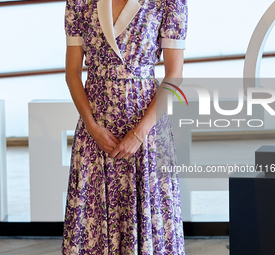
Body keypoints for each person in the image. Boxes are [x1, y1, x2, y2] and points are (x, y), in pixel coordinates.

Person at [61, 0, 188, 254]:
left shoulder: (169, 2)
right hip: (95, 131)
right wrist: (92, 127)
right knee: (91, 216)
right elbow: (72, 72)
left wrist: (139, 133)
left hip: (147, 129)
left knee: (149, 214)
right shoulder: (79, 2)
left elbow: (174, 74)